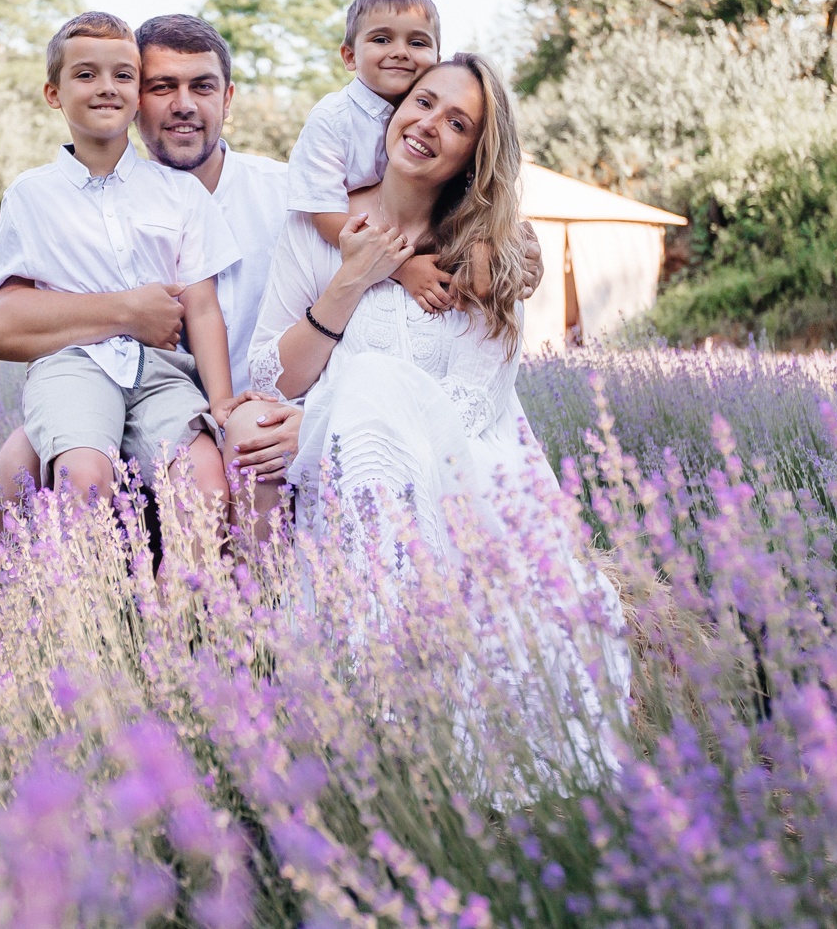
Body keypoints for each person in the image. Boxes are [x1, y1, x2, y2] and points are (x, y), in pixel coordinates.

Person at [250, 52, 626, 788]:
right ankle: (378, 674)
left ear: (472, 156)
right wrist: (351, 278)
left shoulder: (488, 252)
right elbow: (273, 375)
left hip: (461, 471)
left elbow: (481, 397)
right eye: (422, 102)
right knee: (365, 391)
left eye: (458, 123)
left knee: (373, 385)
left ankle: (399, 678)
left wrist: (329, 415)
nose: (428, 124)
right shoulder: (317, 229)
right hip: (347, 476)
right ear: (395, 109)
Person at [0, 15, 302, 535]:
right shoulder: (37, 195)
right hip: (95, 378)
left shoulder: (285, 195)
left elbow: (209, 308)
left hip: (192, 393)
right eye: (162, 86)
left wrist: (234, 406)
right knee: (25, 470)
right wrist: (126, 312)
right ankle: (71, 609)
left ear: (228, 98)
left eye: (202, 87)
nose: (183, 104)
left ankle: (216, 608)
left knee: (222, 473)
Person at [285, 0, 457, 315]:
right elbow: (325, 215)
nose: (400, 51)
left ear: (437, 60)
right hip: (337, 259)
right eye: (381, 39)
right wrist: (401, 268)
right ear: (350, 56)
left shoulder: (432, 123)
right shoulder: (332, 120)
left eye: (417, 42)